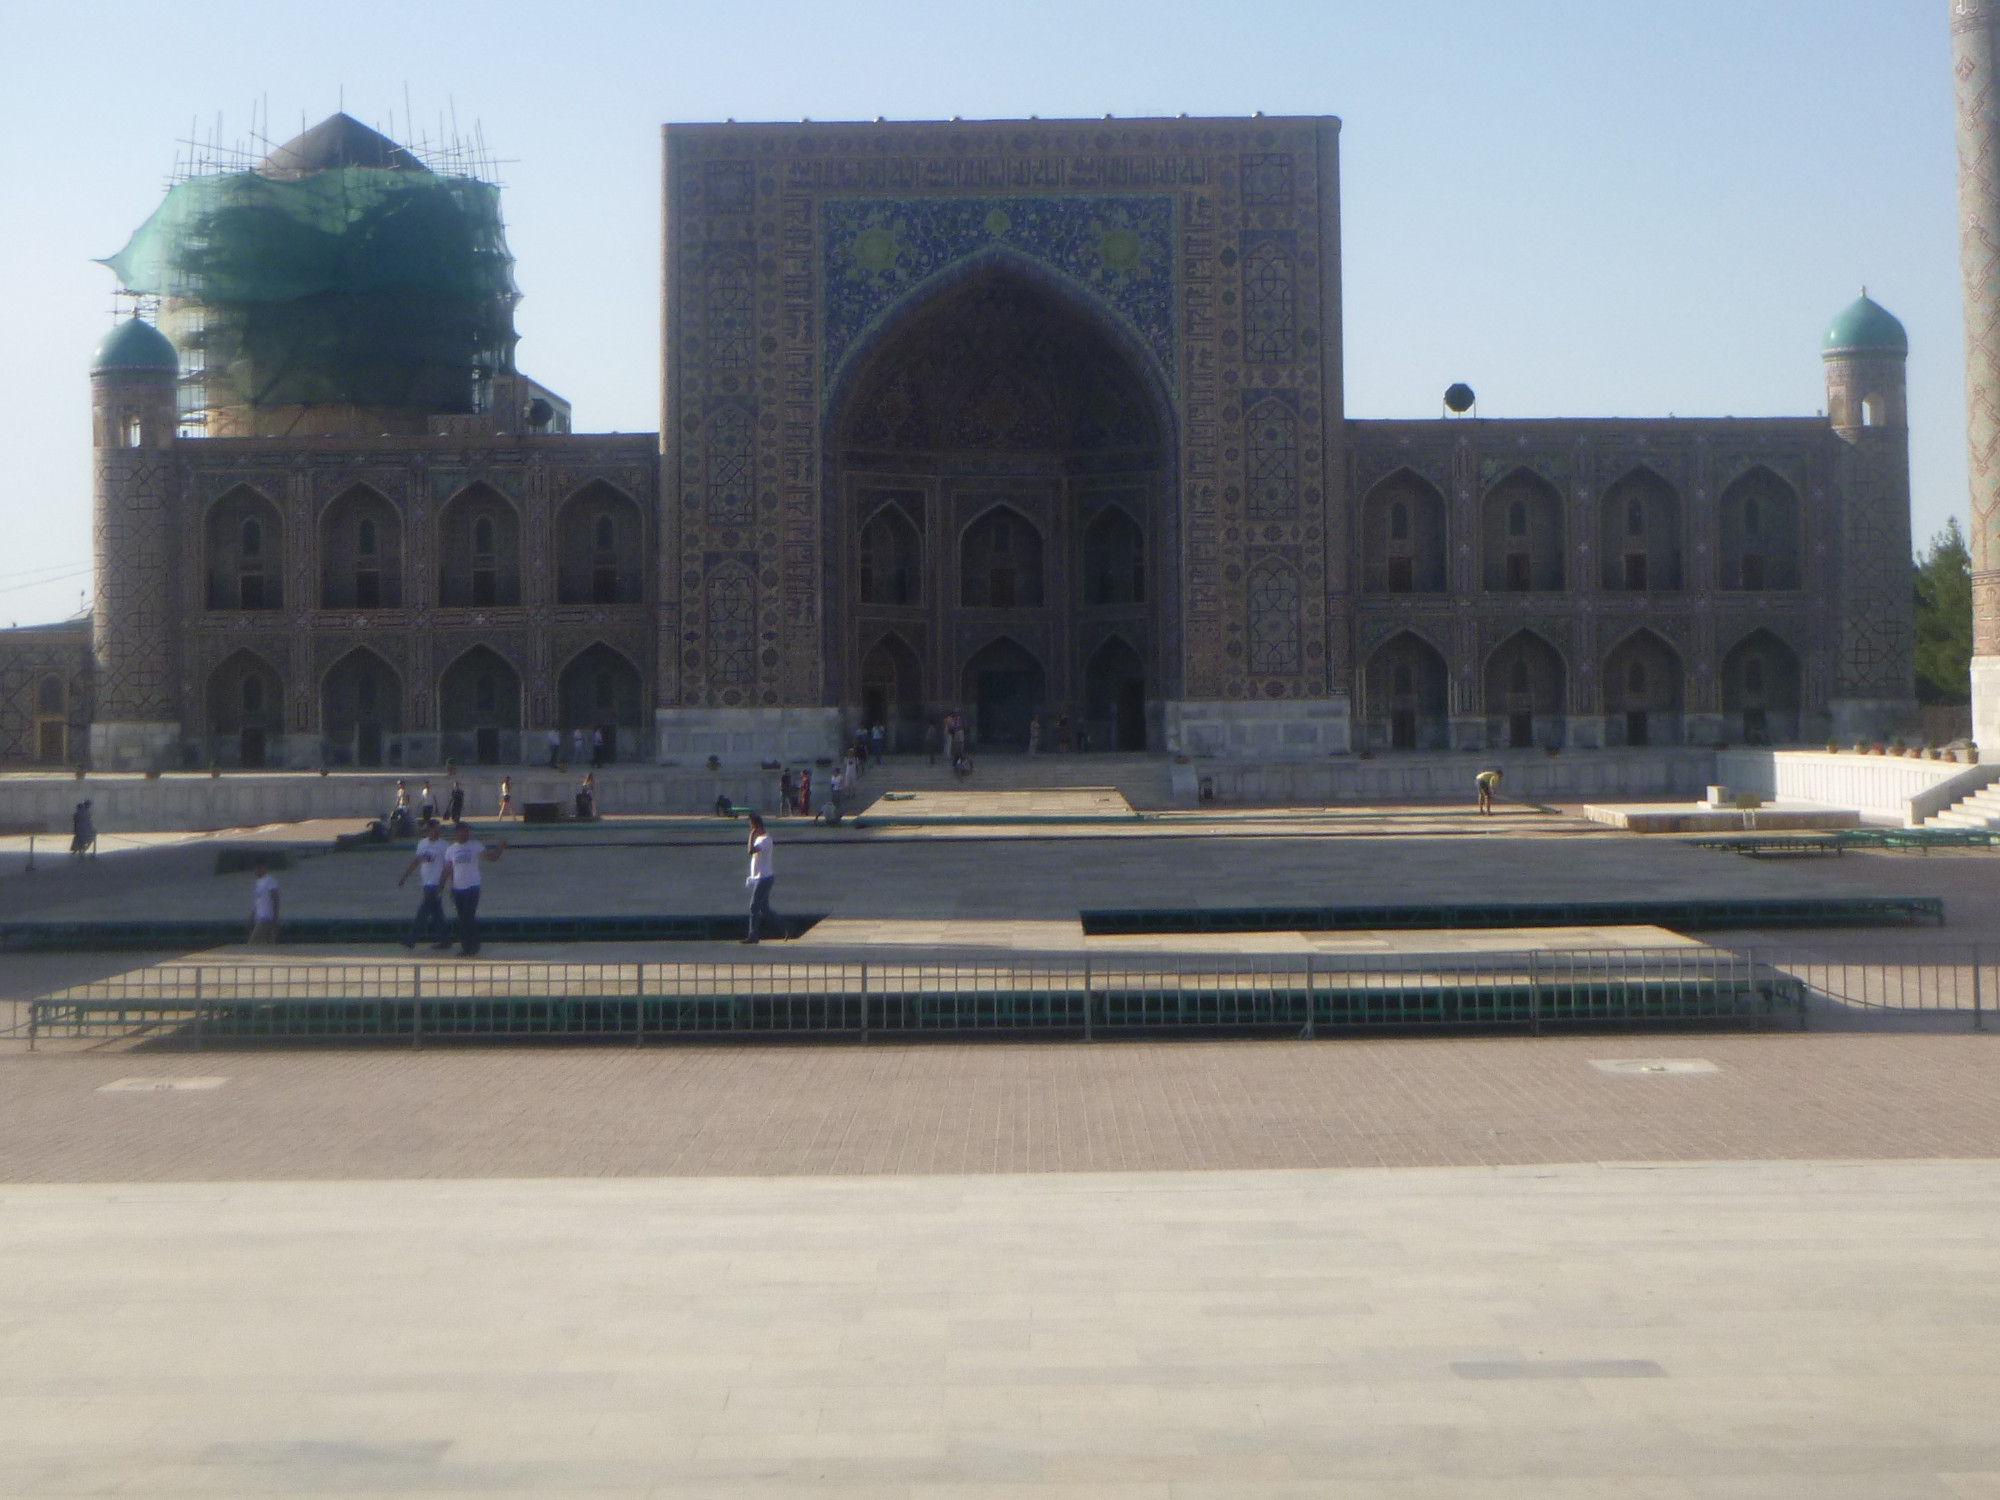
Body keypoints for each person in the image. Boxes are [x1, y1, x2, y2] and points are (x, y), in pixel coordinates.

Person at [442, 821, 506, 957]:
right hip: (458, 889)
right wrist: (441, 886)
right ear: (457, 833)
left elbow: (492, 858)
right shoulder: (451, 850)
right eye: (463, 831)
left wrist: (500, 847)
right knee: (461, 919)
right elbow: (447, 870)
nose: (465, 834)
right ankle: (467, 946)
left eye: (467, 831)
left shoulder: (475, 846)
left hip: (472, 887)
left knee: (468, 917)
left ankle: (473, 945)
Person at [397, 818, 453, 950]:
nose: (438, 831)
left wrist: (446, 883)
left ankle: (411, 939)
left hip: (436, 882)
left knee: (423, 911)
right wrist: (405, 876)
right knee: (436, 913)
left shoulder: (444, 845)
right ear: (430, 829)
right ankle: (445, 940)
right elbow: (416, 861)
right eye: (436, 829)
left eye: (439, 829)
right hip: (426, 881)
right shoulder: (422, 844)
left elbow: (448, 866)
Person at [742, 813, 777, 943]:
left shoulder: (764, 840)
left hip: (764, 879)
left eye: (751, 825)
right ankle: (787, 928)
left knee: (753, 906)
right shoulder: (762, 838)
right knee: (765, 910)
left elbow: (750, 851)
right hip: (762, 878)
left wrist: (751, 835)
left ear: (755, 825)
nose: (750, 827)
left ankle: (753, 935)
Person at [246, 858, 280, 947]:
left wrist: (275, 917)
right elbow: (258, 901)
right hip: (259, 917)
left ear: (263, 868)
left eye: (257, 868)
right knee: (267, 943)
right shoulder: (258, 883)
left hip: (266, 917)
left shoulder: (269, 880)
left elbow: (275, 898)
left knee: (252, 943)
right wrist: (252, 915)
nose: (255, 871)